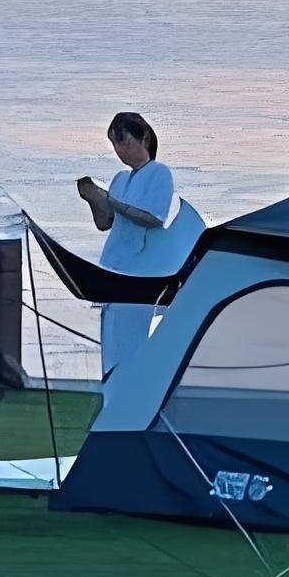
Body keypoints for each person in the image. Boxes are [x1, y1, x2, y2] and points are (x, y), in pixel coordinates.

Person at [77, 111, 177, 382]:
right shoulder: (120, 179)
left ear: (143, 137)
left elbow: (153, 217)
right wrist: (93, 197)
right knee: (110, 340)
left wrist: (113, 202)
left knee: (131, 342)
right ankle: (111, 387)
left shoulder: (159, 173)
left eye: (124, 142)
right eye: (115, 145)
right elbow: (105, 222)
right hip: (112, 268)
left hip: (139, 274)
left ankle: (131, 388)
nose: (120, 151)